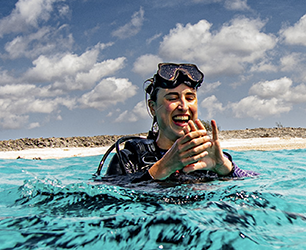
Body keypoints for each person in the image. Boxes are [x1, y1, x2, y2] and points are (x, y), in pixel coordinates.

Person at [98, 63, 255, 182]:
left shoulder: (211, 156)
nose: (183, 106)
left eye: (190, 98)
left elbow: (257, 183)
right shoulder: (129, 161)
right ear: (152, 108)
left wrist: (225, 168)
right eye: (172, 98)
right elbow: (106, 206)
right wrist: (162, 168)